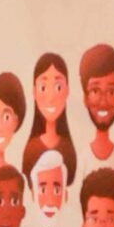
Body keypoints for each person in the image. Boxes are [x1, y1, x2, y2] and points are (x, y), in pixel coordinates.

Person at [19, 50, 79, 183]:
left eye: (58, 87)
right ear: (34, 91)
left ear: (67, 90)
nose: (51, 97)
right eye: (43, 87)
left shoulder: (67, 149)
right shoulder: (32, 149)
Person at [79, 43, 114, 163]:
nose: (103, 102)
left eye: (111, 92)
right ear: (85, 99)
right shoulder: (81, 159)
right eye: (95, 91)